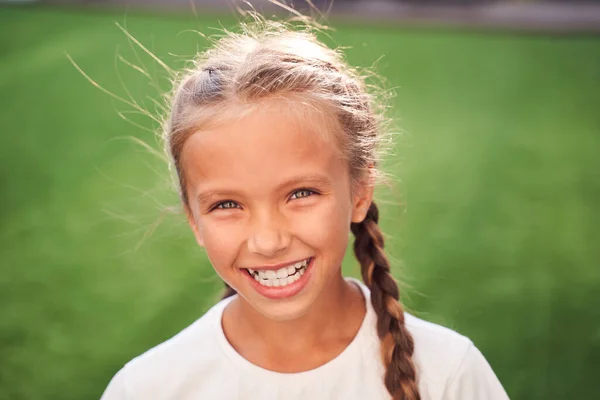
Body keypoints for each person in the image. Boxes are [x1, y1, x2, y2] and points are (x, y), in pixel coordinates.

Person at [100, 6, 510, 400]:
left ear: (360, 193)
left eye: (300, 194)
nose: (268, 240)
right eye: (227, 204)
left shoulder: (449, 374)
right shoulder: (148, 389)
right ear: (193, 218)